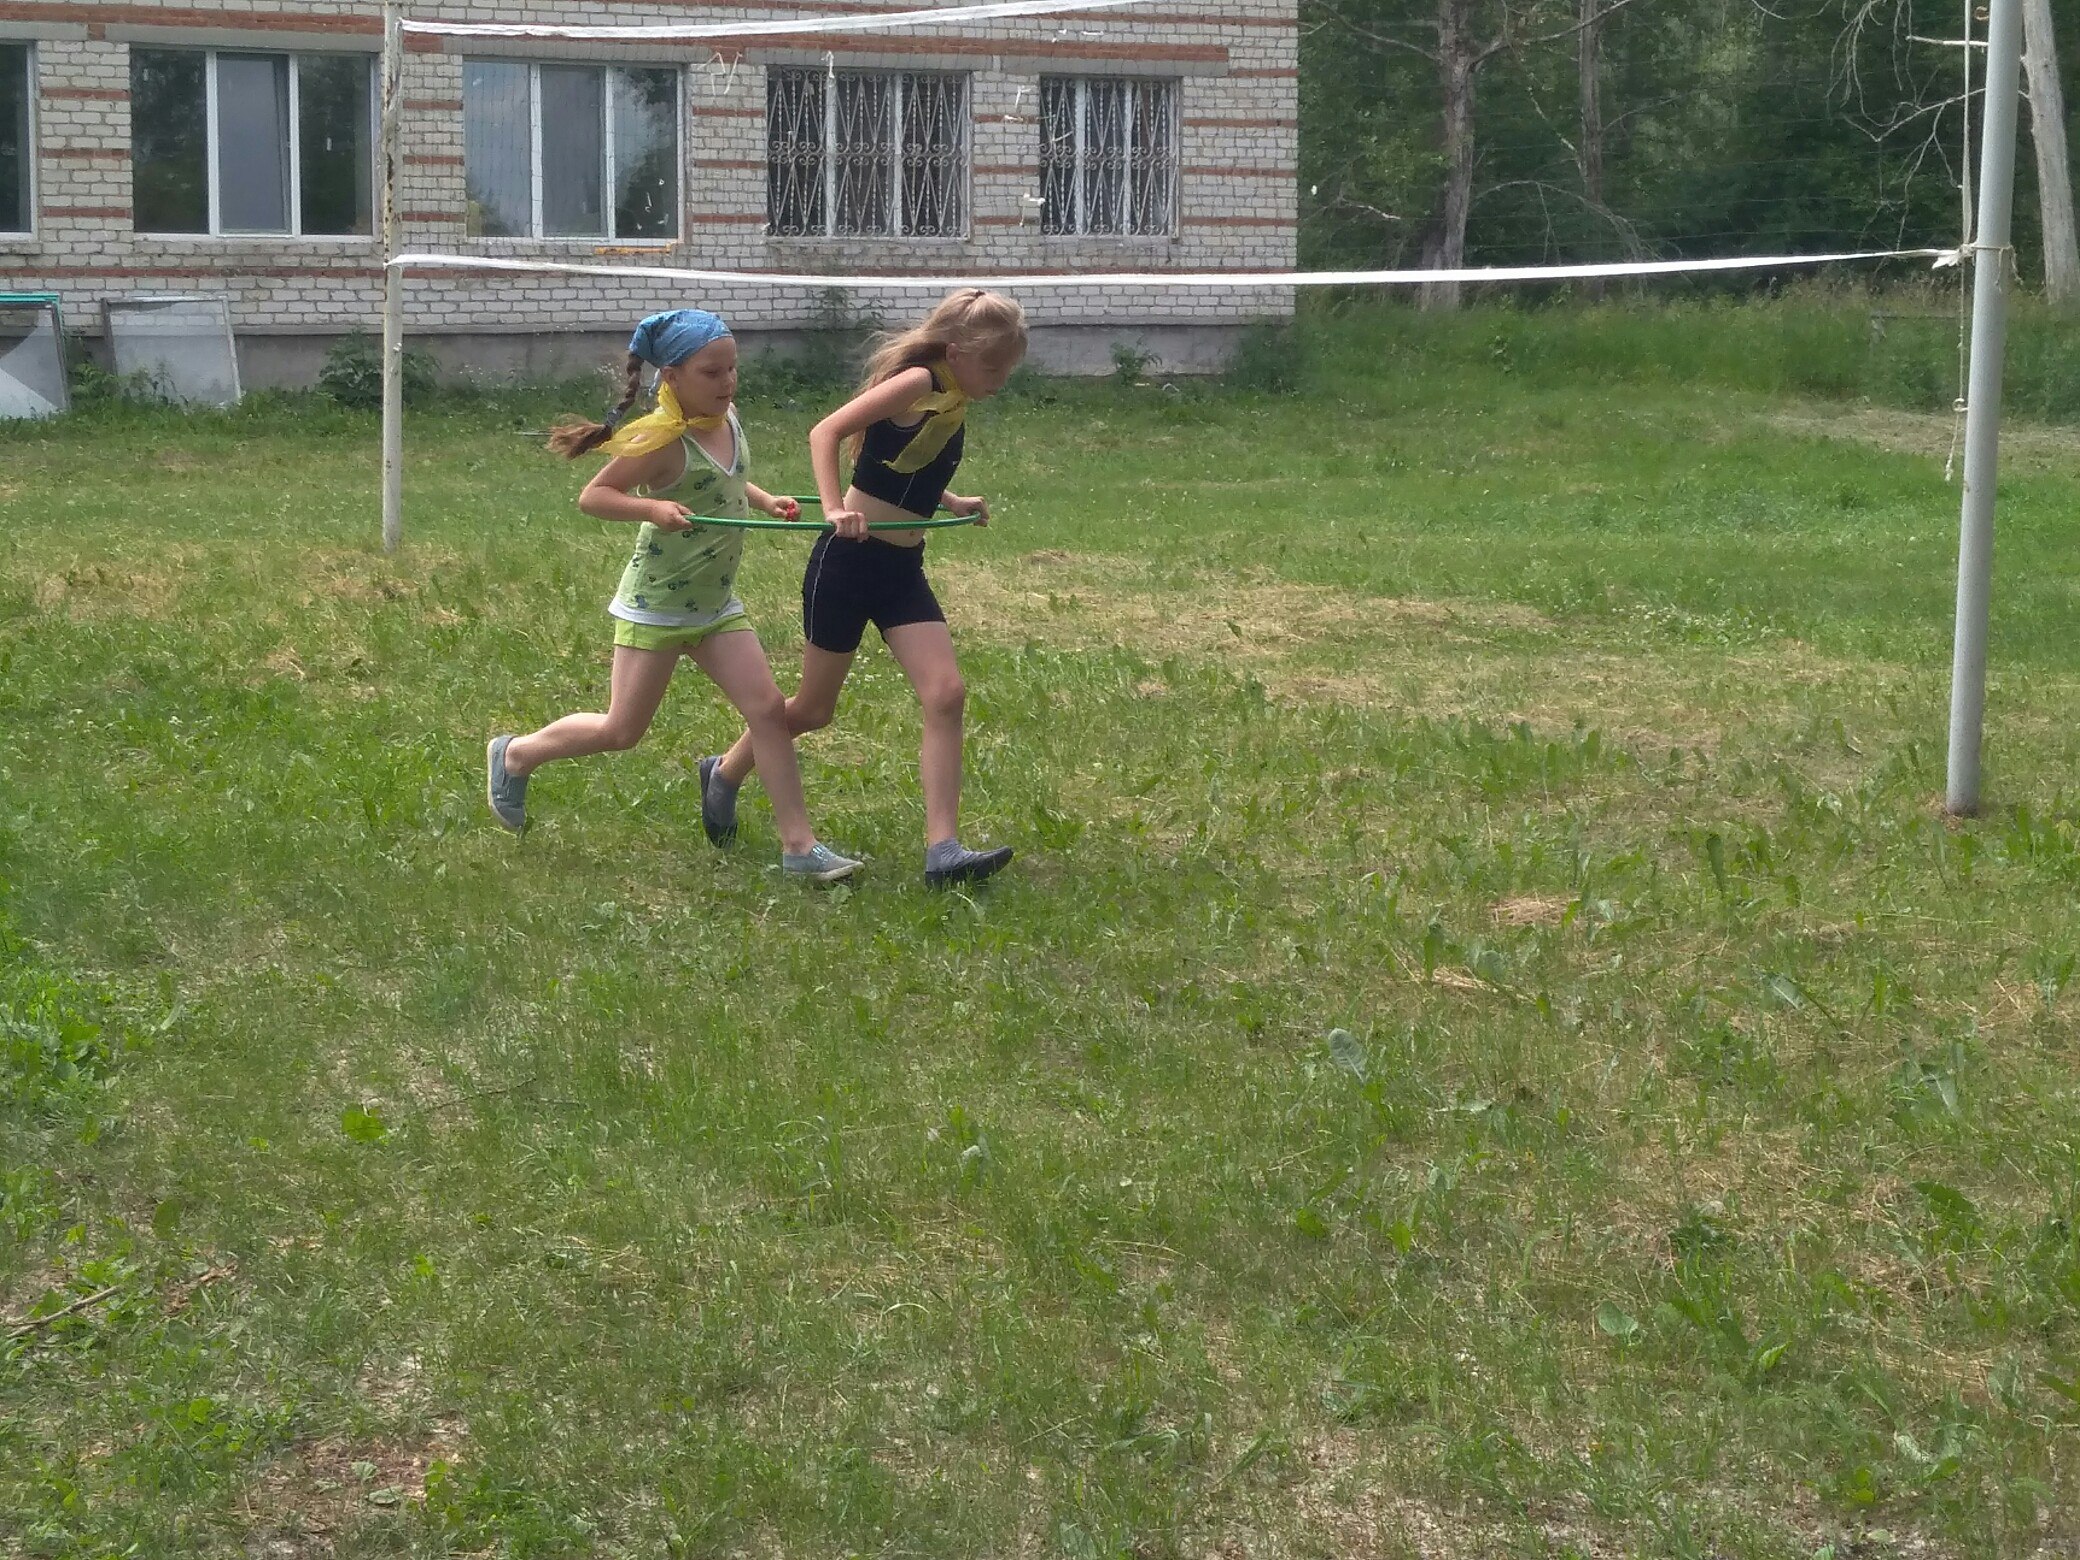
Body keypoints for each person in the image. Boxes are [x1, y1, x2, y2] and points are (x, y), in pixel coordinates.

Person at [485, 308, 861, 884]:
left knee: (768, 712)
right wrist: (651, 508)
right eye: (712, 372)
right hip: (656, 608)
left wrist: (763, 500)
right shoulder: (659, 441)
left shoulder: (726, 418)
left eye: (732, 368)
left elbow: (725, 477)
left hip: (716, 606)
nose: (728, 382)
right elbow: (594, 497)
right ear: (672, 377)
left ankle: (799, 847)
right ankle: (516, 754)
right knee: (621, 731)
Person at [699, 289, 1026, 889]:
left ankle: (943, 852)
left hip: (901, 570)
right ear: (956, 353)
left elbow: (900, 463)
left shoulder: (953, 395)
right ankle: (723, 772)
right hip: (847, 564)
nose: (1000, 381)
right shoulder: (919, 382)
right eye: (993, 368)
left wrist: (950, 499)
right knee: (812, 710)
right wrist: (831, 507)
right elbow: (826, 432)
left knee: (947, 694)